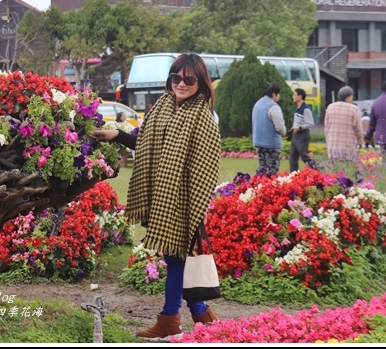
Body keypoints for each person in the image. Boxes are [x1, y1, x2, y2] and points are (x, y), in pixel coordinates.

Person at [93, 53, 221, 340]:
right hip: (160, 196)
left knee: (176, 258)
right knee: (176, 257)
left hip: (184, 201)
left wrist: (191, 205)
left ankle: (169, 319)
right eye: (176, 77)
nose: (181, 84)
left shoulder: (202, 117)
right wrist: (117, 134)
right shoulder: (162, 107)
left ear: (201, 82)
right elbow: (144, 139)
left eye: (189, 79)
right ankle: (201, 315)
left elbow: (206, 166)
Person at [324, 86, 365, 176]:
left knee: (334, 171)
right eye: (352, 96)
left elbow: (326, 126)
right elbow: (358, 128)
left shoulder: (330, 107)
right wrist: (360, 141)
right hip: (348, 146)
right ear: (348, 97)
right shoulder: (354, 109)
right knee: (349, 171)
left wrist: (328, 141)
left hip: (333, 146)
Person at [251, 83, 286, 176]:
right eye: (278, 94)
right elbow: (279, 126)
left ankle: (256, 187)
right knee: (272, 169)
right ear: (274, 94)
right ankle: (268, 189)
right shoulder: (273, 106)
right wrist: (283, 132)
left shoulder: (257, 104)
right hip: (271, 143)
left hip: (258, 141)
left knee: (262, 168)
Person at [288, 88, 319, 172]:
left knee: (304, 156)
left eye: (294, 95)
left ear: (300, 96)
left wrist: (299, 127)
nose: (293, 96)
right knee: (292, 158)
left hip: (303, 135)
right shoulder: (297, 108)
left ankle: (318, 170)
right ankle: (293, 176)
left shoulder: (305, 109)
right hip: (296, 135)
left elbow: (310, 123)